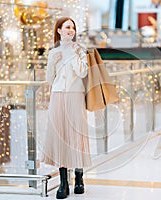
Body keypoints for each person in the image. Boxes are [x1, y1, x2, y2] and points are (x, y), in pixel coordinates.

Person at [42, 17, 91, 199]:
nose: (71, 30)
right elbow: (49, 79)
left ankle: (79, 177)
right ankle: (63, 181)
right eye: (67, 27)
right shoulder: (53, 51)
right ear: (59, 30)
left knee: (76, 135)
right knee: (60, 135)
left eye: (73, 27)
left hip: (75, 95)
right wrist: (53, 61)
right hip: (57, 95)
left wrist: (72, 54)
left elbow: (83, 72)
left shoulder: (80, 50)